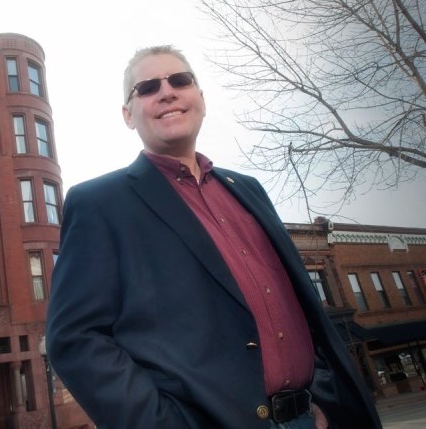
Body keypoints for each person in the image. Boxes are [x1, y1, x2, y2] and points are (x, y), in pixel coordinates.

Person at [45, 46, 381, 428]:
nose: (167, 91)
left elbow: (300, 307)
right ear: (128, 115)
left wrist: (321, 395)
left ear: (200, 99)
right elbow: (74, 338)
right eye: (148, 87)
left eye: (180, 80)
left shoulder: (248, 189)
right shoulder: (99, 203)